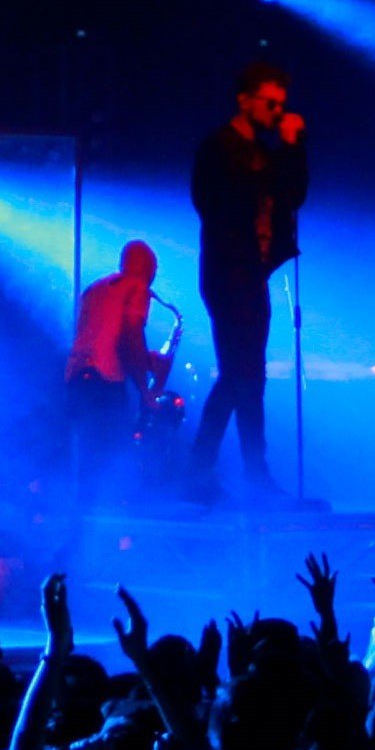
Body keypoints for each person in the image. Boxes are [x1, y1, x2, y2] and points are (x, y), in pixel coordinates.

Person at [186, 59, 306, 500]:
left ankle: (208, 470)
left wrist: (292, 147)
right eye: (270, 104)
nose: (277, 112)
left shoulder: (266, 152)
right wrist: (272, 164)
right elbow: (219, 203)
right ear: (245, 100)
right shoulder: (219, 148)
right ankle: (241, 472)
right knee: (244, 373)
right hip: (227, 271)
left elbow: (293, 196)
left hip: (253, 272)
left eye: (281, 105)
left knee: (245, 375)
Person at [65, 240, 168, 503]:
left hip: (77, 376)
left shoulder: (95, 288)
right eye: (152, 270)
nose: (153, 278)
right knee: (114, 451)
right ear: (145, 268)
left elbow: (101, 335)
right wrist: (145, 389)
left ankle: (84, 514)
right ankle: (114, 513)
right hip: (104, 379)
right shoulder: (136, 287)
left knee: (86, 451)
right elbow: (129, 336)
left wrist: (144, 359)